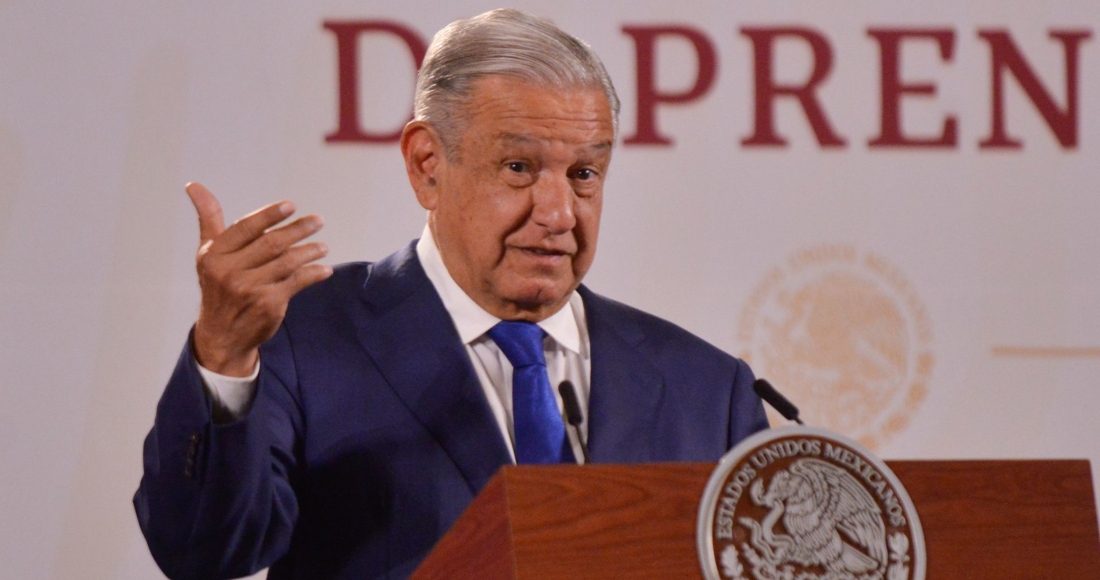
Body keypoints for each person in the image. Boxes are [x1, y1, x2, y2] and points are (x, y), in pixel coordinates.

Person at [134, 8, 768, 580]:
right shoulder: (301, 337)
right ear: (427, 163)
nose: (559, 213)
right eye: (519, 168)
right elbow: (203, 553)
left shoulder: (706, 389)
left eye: (583, 174)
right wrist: (221, 358)